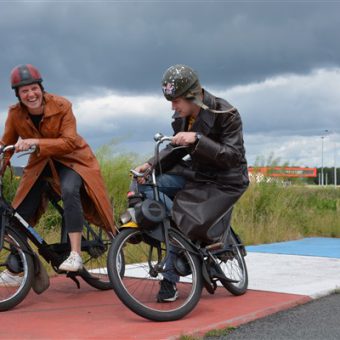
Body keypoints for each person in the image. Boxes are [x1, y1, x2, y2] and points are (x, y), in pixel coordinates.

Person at [134, 64, 249, 302]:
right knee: (146, 185)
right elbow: (176, 149)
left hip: (226, 181)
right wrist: (150, 165)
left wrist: (198, 139)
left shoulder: (226, 113)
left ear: (192, 96)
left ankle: (170, 279)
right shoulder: (182, 116)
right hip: (198, 175)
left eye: (176, 101)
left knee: (180, 218)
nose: (173, 107)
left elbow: (232, 155)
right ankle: (184, 236)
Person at [0, 64, 115, 283]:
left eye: (33, 88)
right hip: (41, 165)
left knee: (69, 190)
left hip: (73, 161)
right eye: (24, 91)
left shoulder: (62, 105)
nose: (30, 94)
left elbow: (69, 142)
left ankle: (75, 255)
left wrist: (35, 142)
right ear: (18, 94)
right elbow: (5, 144)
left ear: (41, 88)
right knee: (18, 212)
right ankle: (18, 267)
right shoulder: (15, 114)